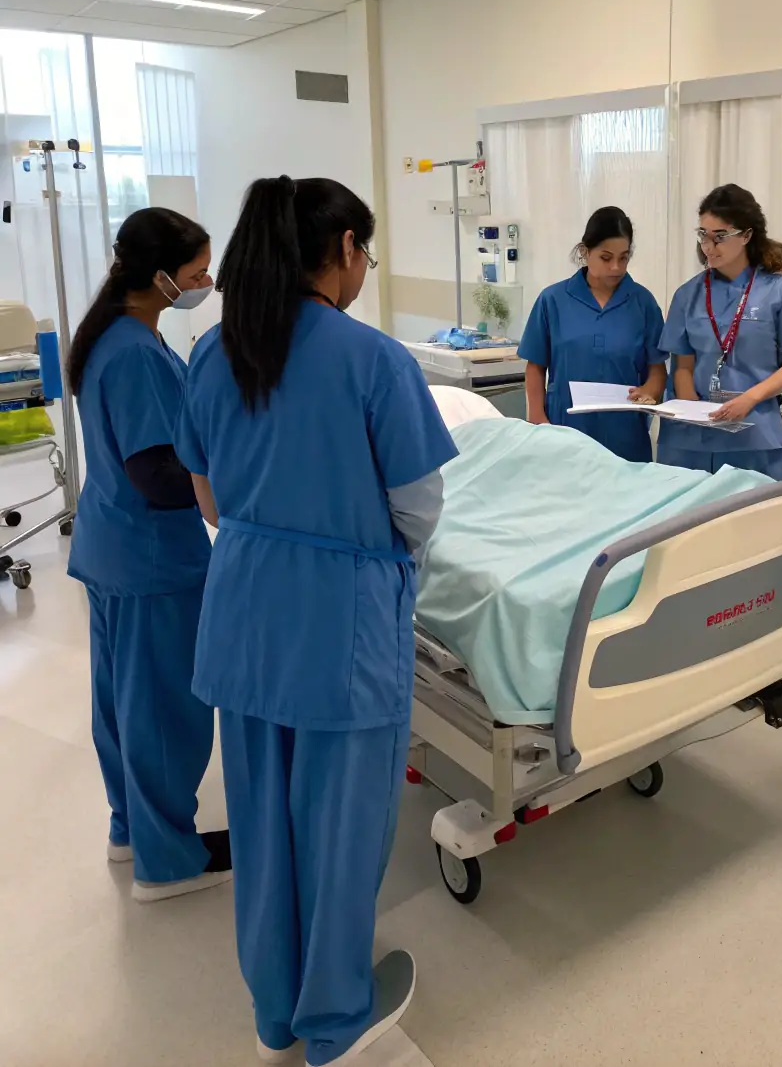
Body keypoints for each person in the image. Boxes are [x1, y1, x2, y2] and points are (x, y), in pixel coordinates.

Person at [175, 177, 457, 1067]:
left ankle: (276, 1013)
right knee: (338, 829)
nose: (367, 268)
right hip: (341, 621)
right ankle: (338, 1020)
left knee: (262, 822)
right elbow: (419, 507)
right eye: (366, 251)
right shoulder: (373, 360)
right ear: (342, 249)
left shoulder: (215, 353)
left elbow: (209, 495)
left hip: (247, 612)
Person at [67, 208, 230, 902]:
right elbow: (157, 475)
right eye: (197, 274)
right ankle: (167, 861)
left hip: (112, 550)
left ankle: (132, 828)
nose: (208, 282)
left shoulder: (113, 336)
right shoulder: (134, 352)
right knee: (163, 708)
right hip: (152, 559)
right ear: (161, 277)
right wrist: (227, 480)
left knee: (122, 702)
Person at [659, 184, 782, 480]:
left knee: (753, 521)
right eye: (703, 234)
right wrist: (692, 408)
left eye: (720, 237)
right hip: (690, 438)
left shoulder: (780, 291)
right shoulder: (688, 294)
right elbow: (682, 364)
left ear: (746, 235)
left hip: (753, 433)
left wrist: (751, 398)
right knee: (683, 524)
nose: (708, 245)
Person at [519, 206, 667, 462]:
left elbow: (657, 369)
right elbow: (535, 366)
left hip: (625, 435)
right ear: (585, 252)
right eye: (606, 258)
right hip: (564, 429)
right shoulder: (553, 300)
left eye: (624, 257)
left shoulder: (642, 303)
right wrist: (537, 419)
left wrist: (650, 392)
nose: (616, 267)